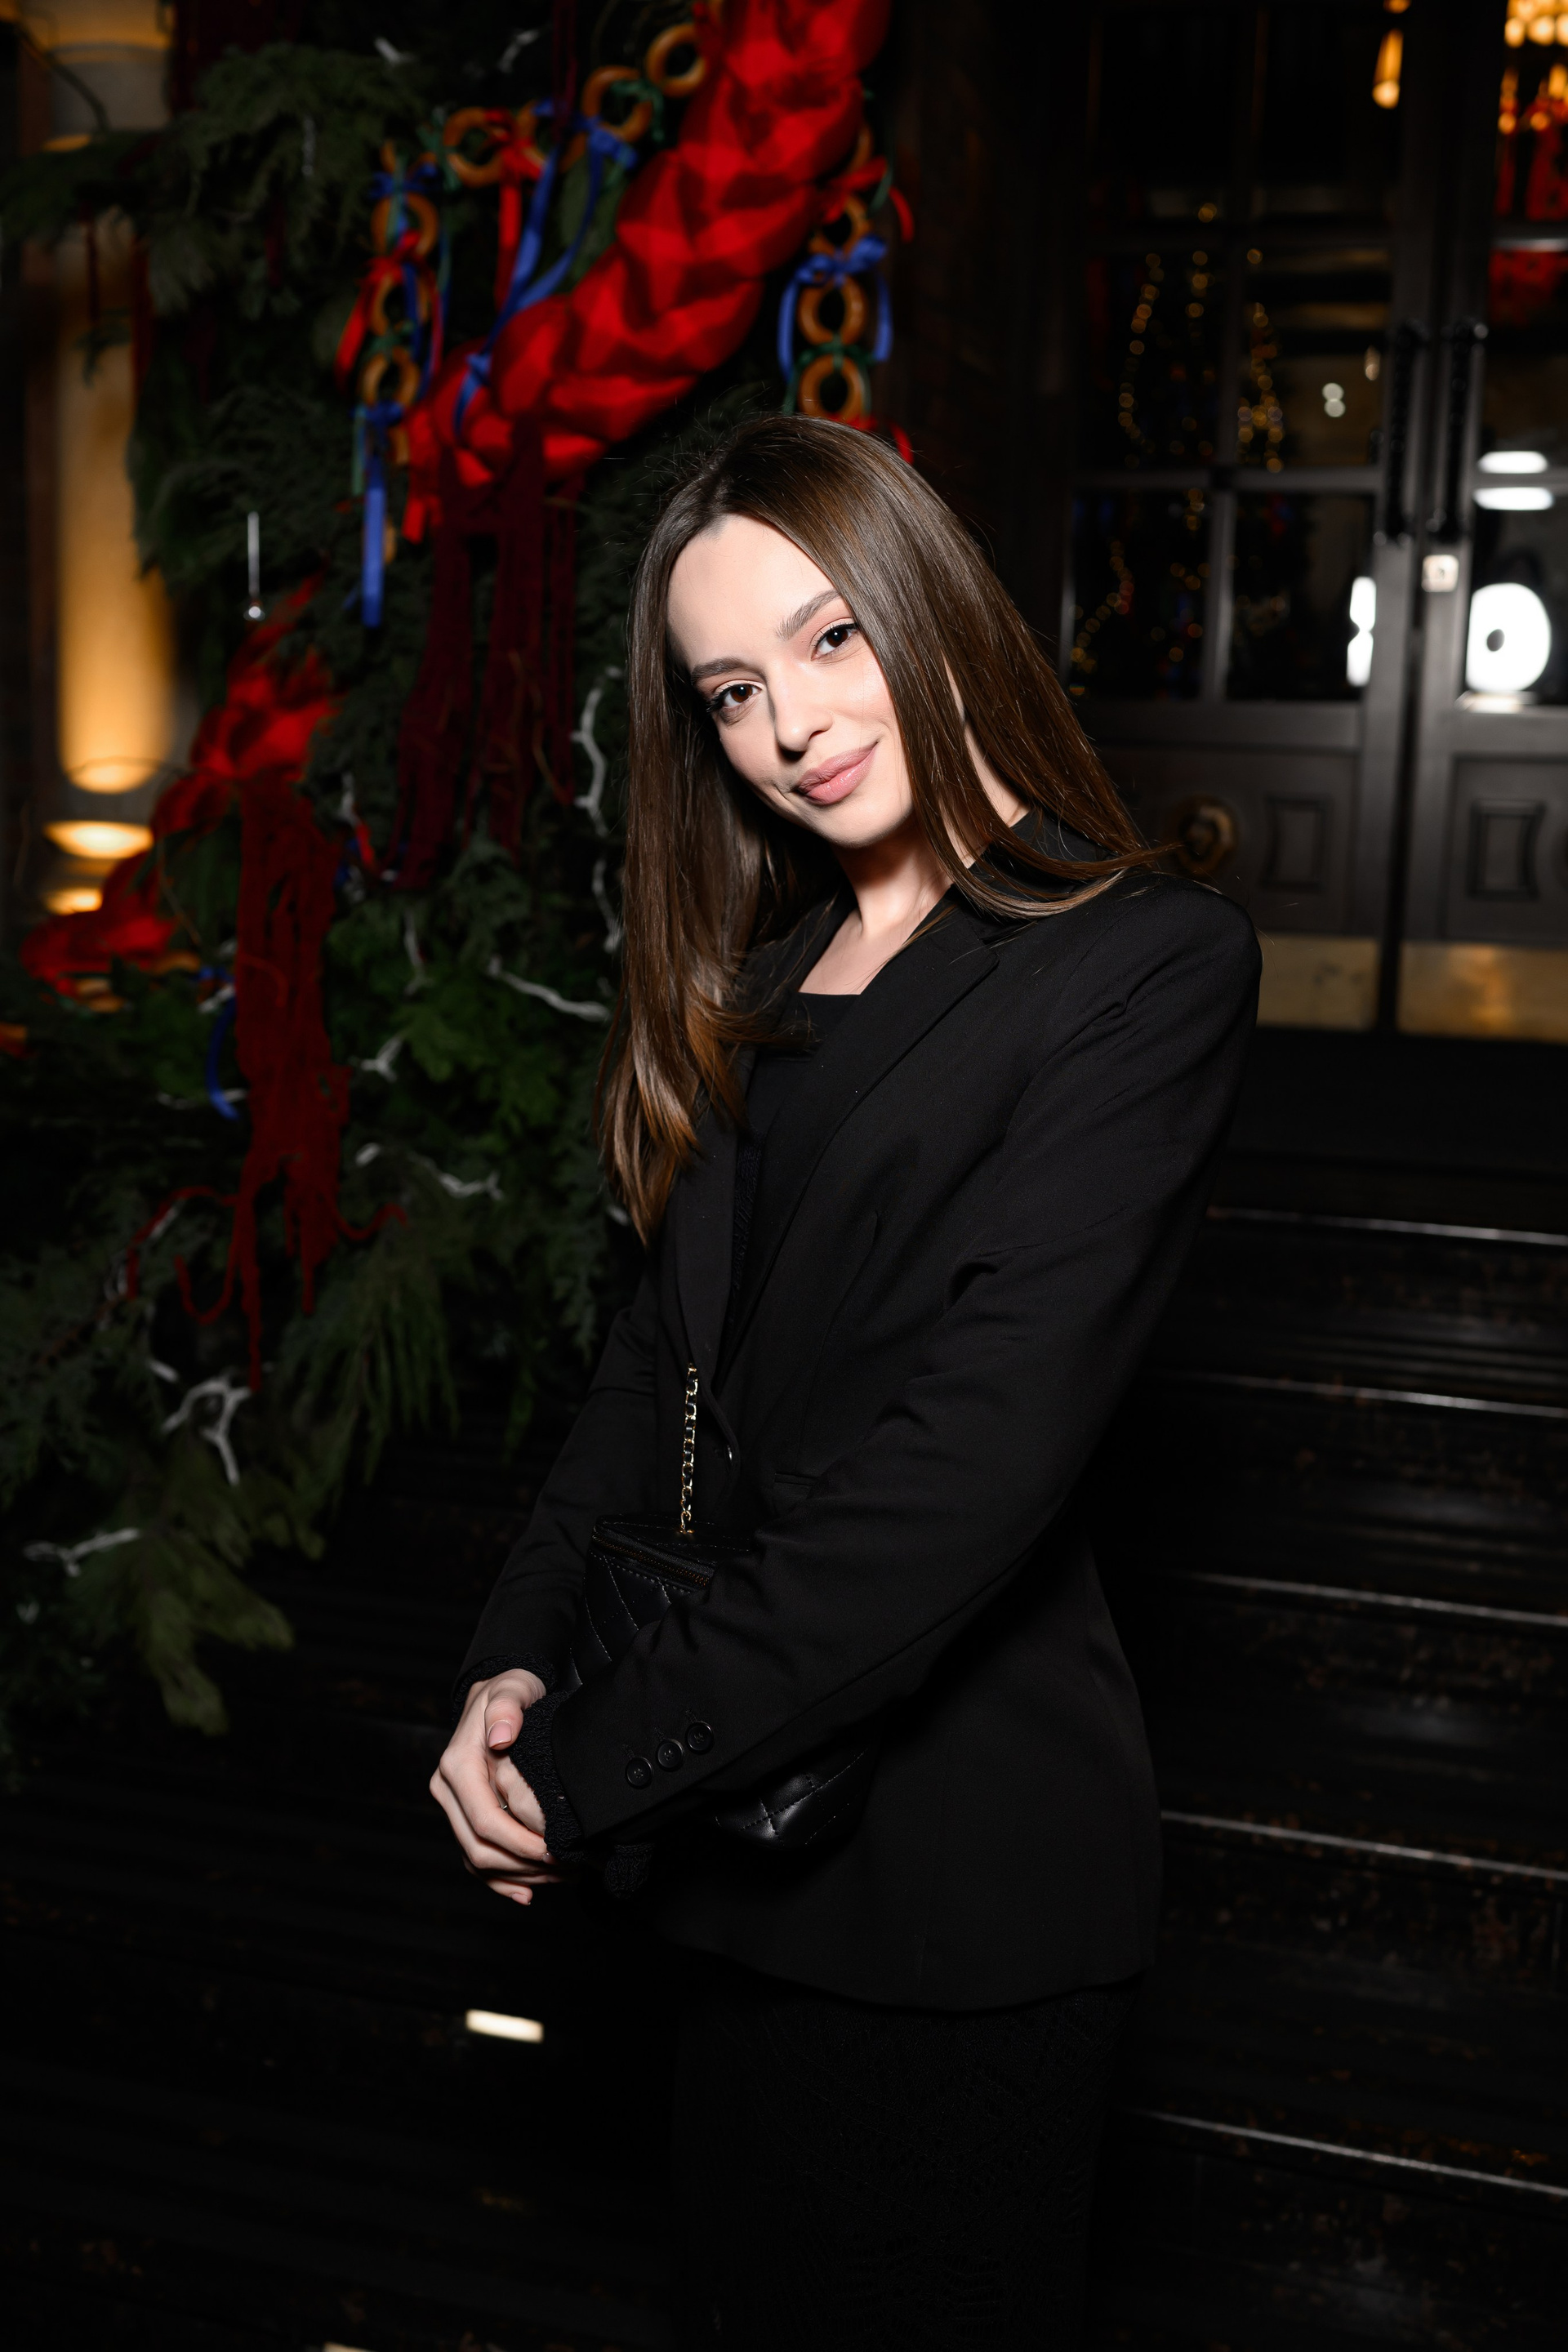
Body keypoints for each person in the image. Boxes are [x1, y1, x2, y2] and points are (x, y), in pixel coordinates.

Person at [431, 414, 1259, 2349]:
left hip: (961, 1899)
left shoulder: (1138, 966)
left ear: (928, 602)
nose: (790, 724)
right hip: (731, 1868)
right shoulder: (763, 976)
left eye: (828, 638)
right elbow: (653, 1378)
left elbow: (959, 1482)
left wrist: (589, 1765)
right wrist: (515, 1662)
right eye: (731, 689)